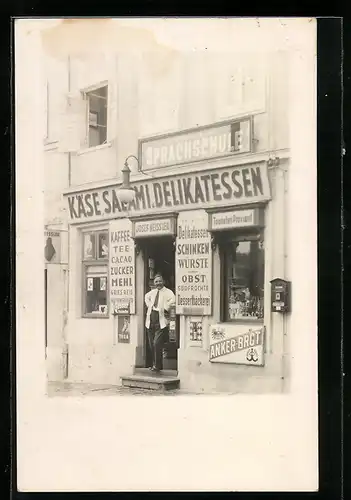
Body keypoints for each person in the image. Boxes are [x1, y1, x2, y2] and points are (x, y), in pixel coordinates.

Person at [145, 273, 175, 372]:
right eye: (156, 281)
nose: (158, 283)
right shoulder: (152, 292)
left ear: (163, 282)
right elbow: (146, 297)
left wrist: (165, 308)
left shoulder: (168, 292)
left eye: (160, 281)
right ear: (154, 283)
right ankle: (155, 364)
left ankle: (157, 365)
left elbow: (173, 301)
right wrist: (149, 305)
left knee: (156, 343)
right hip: (151, 319)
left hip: (161, 321)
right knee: (151, 344)